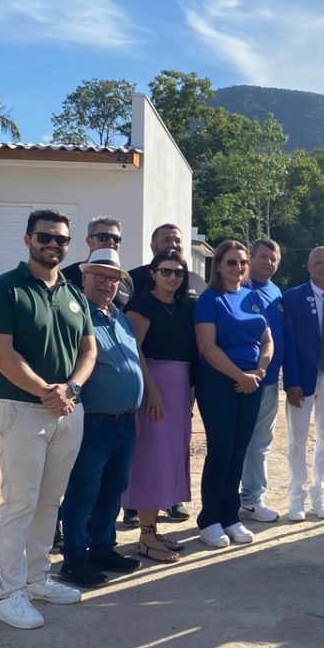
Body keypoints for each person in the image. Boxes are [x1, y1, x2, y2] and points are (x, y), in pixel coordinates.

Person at [0, 210, 97, 630]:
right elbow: (1, 353)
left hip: (67, 409)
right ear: (28, 240)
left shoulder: (73, 293)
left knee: (50, 502)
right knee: (20, 502)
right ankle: (8, 594)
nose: (54, 245)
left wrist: (71, 390)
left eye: (62, 240)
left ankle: (37, 578)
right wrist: (45, 391)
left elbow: (88, 351)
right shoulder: (4, 290)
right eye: (45, 237)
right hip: (22, 409)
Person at [58, 249, 144, 589]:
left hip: (125, 422)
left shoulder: (119, 316)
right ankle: (75, 559)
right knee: (83, 492)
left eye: (113, 279)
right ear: (84, 277)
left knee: (113, 490)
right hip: (93, 422)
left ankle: (103, 549)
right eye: (99, 276)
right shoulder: (77, 316)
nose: (107, 284)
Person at [194, 239, 272, 547]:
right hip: (218, 383)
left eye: (242, 262)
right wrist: (240, 376)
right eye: (231, 262)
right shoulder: (209, 300)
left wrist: (259, 373)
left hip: (252, 382)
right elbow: (206, 347)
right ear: (218, 266)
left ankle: (230, 516)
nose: (238, 268)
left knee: (239, 451)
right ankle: (209, 519)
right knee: (220, 451)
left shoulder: (253, 298)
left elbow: (267, 340)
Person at [125, 222, 202, 524]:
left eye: (178, 272)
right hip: (152, 384)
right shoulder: (142, 303)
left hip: (181, 386)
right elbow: (134, 348)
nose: (172, 277)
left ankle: (165, 507)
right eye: (166, 272)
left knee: (173, 452)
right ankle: (145, 522)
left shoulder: (185, 306)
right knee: (150, 454)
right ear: (153, 274)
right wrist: (152, 389)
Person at [281, 246, 324, 521]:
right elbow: (287, 343)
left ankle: (319, 492)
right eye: (319, 263)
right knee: (296, 439)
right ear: (309, 267)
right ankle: (296, 496)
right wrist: (292, 381)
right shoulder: (293, 297)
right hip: (303, 377)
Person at [240, 239, 285, 523]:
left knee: (261, 442)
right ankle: (247, 498)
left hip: (270, 379)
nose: (268, 262)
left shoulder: (277, 292)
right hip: (244, 378)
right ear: (251, 258)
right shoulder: (240, 289)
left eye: (273, 258)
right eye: (263, 256)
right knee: (242, 441)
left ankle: (252, 497)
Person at [63, 216, 132, 310]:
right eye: (103, 237)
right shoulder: (66, 276)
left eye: (116, 239)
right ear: (89, 241)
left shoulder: (126, 280)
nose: (111, 242)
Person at [130, 223, 207, 300]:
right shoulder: (132, 279)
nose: (173, 245)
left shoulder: (198, 281)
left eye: (177, 241)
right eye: (166, 240)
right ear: (153, 247)